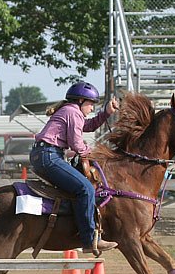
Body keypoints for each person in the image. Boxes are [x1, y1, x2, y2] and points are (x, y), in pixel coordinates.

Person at [29, 82, 119, 256]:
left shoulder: (71, 111)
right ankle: (88, 239)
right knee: (85, 189)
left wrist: (107, 112)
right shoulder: (72, 112)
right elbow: (77, 144)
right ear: (80, 100)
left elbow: (90, 126)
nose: (92, 108)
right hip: (50, 156)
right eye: (91, 103)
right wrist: (93, 153)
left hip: (45, 154)